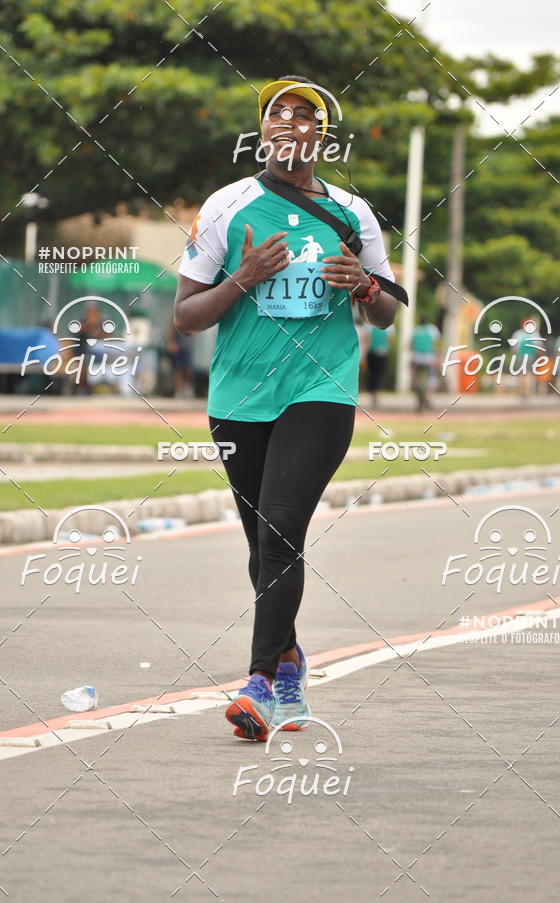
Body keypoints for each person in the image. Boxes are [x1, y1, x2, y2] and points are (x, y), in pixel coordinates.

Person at [173, 75, 401, 741]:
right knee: (264, 544)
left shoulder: (353, 213)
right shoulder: (226, 207)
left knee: (279, 529)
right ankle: (292, 658)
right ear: (263, 130)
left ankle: (260, 683)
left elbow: (386, 313)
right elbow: (185, 317)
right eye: (279, 112)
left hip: (320, 388)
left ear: (321, 136)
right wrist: (242, 279)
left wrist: (363, 285)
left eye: (306, 115)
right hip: (240, 395)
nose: (290, 123)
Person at [411, 314, 440, 411]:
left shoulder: (416, 330)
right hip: (428, 357)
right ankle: (428, 396)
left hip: (416, 357)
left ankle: (414, 383)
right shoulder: (432, 329)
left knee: (414, 374)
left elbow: (410, 344)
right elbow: (436, 344)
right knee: (433, 376)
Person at [365, 324, 393, 409]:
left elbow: (367, 340)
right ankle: (376, 394)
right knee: (378, 374)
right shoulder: (389, 326)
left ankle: (374, 395)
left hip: (372, 352)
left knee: (373, 374)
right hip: (382, 353)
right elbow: (389, 341)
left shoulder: (369, 326)